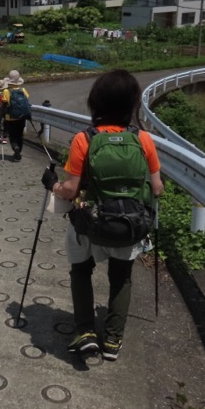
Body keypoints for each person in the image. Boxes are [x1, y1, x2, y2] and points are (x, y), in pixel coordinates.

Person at [41, 69, 164, 361]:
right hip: (130, 226)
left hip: (90, 223)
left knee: (81, 270)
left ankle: (84, 330)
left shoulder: (84, 139)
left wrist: (52, 184)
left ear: (95, 101)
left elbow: (70, 190)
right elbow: (157, 188)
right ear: (131, 104)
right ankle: (112, 340)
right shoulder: (143, 139)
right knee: (121, 278)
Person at [2, 70, 30, 160]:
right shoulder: (23, 90)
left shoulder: (6, 91)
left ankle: (15, 148)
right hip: (22, 117)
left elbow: (4, 105)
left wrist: (1, 116)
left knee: (13, 136)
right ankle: (19, 152)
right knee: (20, 135)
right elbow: (26, 101)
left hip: (10, 118)